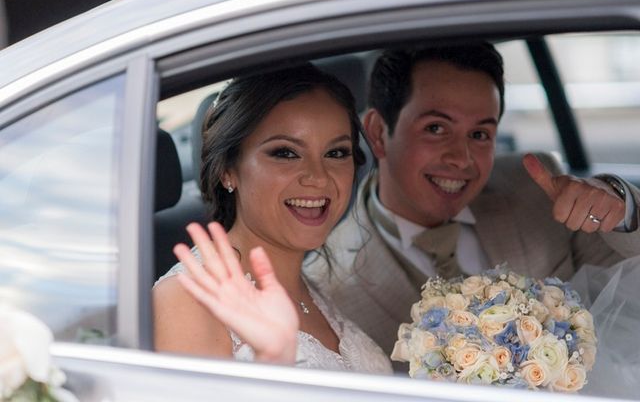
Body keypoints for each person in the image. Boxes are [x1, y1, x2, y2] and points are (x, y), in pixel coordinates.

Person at [304, 42, 640, 360]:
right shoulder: (326, 282)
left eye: (480, 134)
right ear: (378, 132)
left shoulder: (534, 192)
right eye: (436, 128)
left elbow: (628, 288)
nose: (462, 159)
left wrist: (621, 208)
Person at [153, 64, 392, 374]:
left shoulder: (318, 288)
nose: (319, 178)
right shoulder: (189, 300)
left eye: (336, 153)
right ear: (228, 170)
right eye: (285, 153)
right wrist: (273, 360)